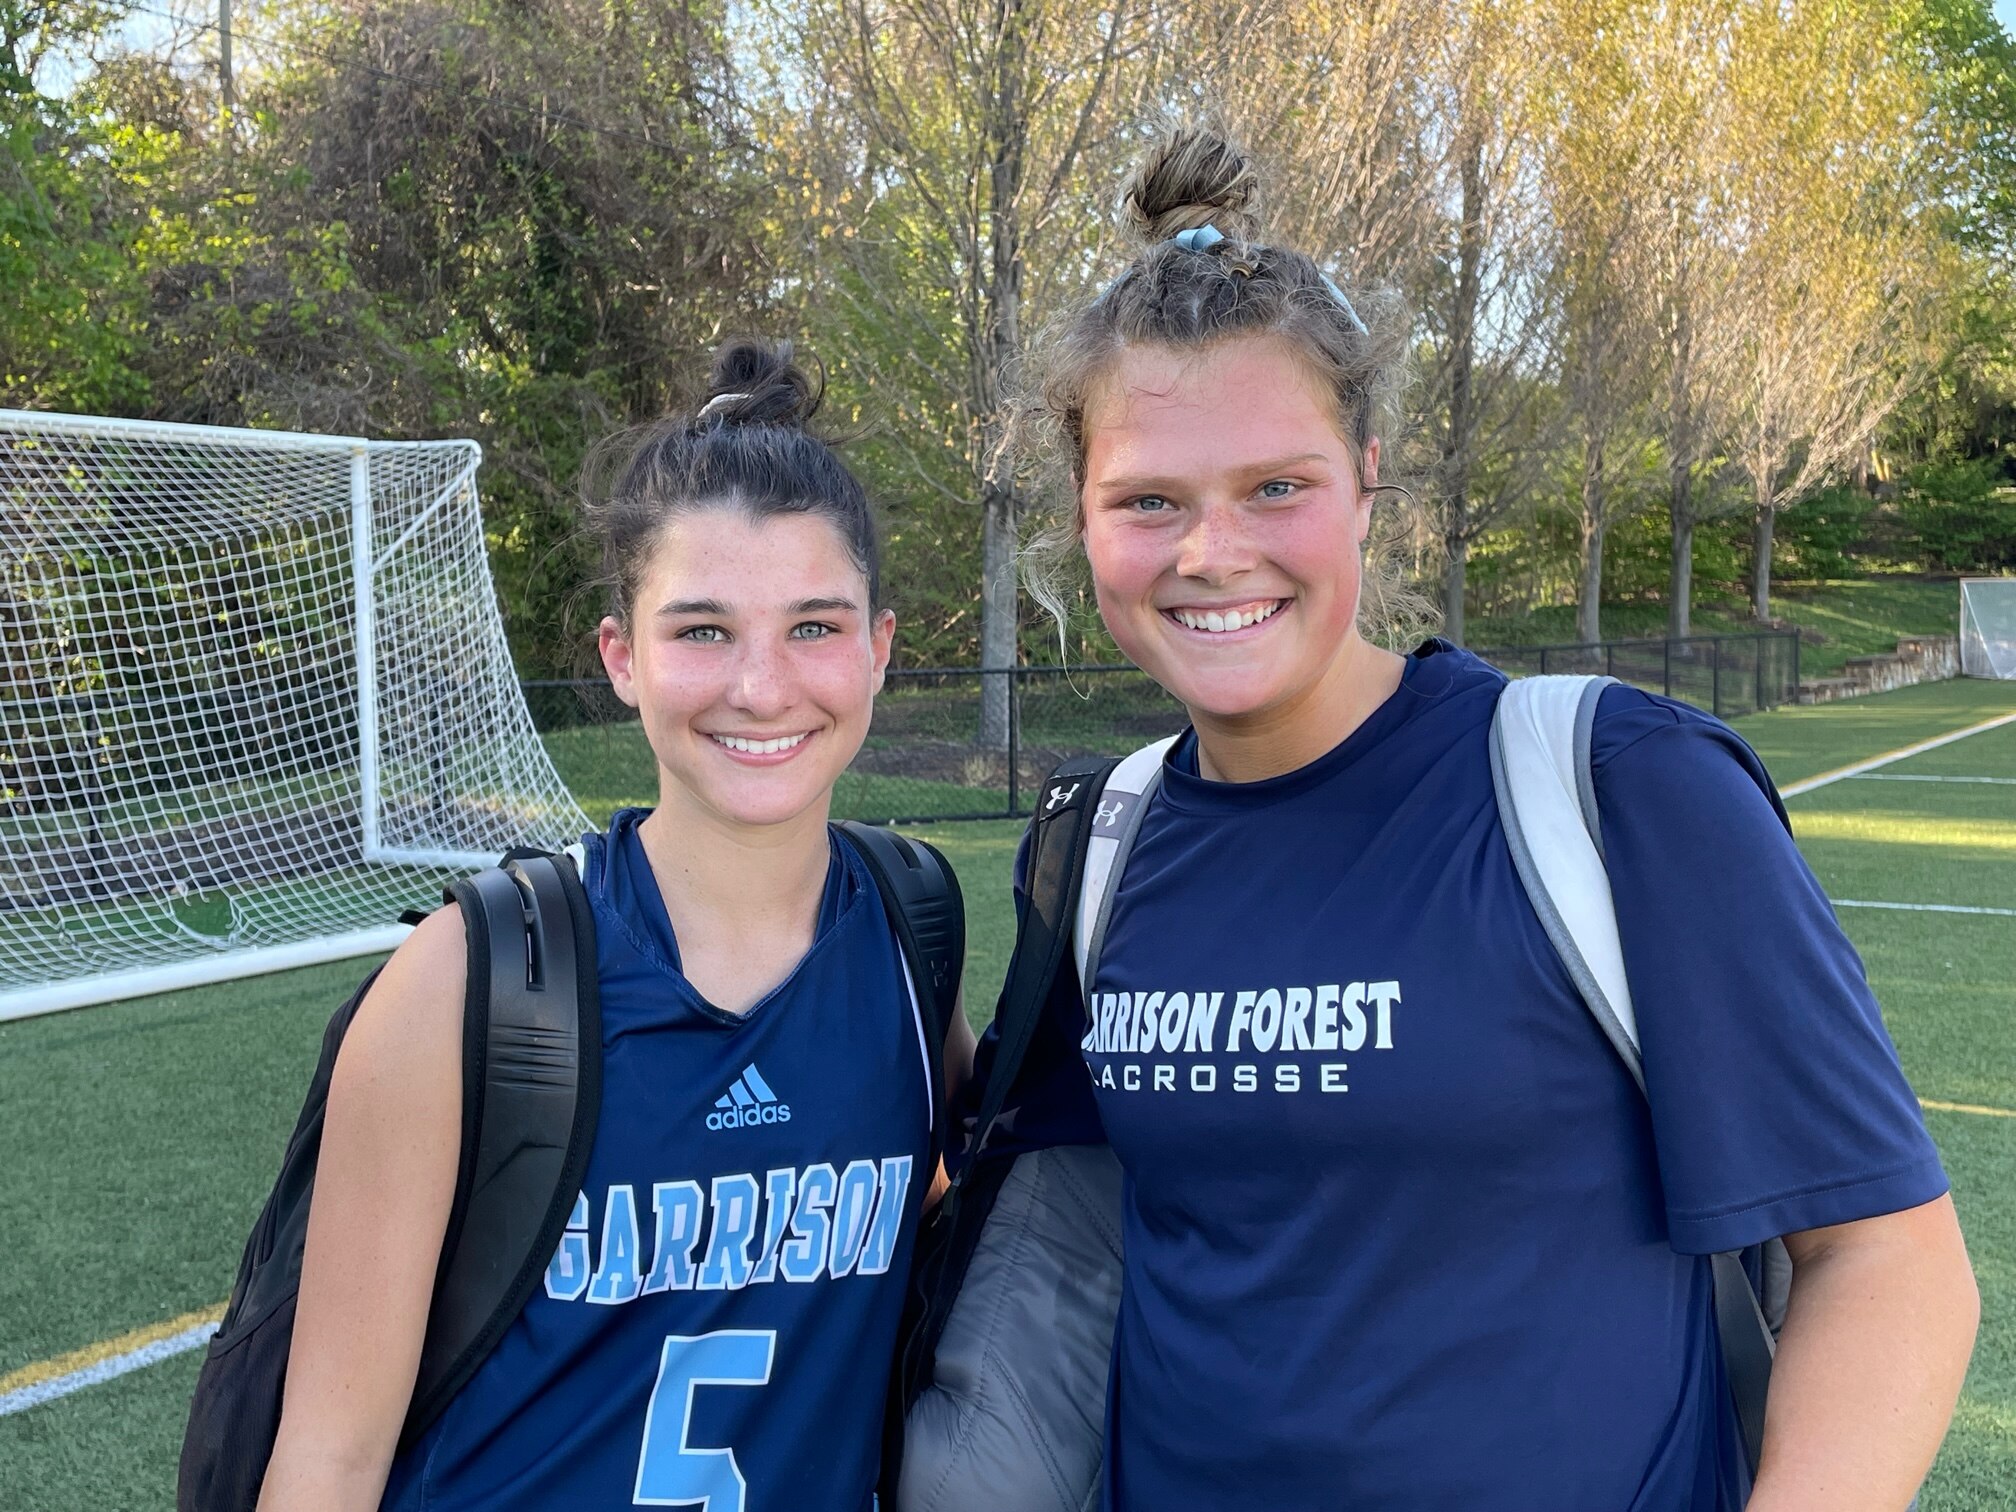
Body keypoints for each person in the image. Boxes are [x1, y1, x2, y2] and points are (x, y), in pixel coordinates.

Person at [989, 126, 1979, 1510]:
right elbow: (1017, 1203)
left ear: (1367, 482)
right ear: (1083, 517)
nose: (1213, 552)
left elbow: (1886, 1259)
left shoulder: (1618, 787)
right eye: (1148, 500)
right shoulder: (1099, 845)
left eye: (1277, 486)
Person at [257, 338, 974, 1511]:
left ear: (879, 650)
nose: (761, 686)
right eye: (701, 630)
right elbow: (328, 1460)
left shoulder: (911, 933)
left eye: (814, 626)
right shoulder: (471, 982)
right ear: (621, 656)